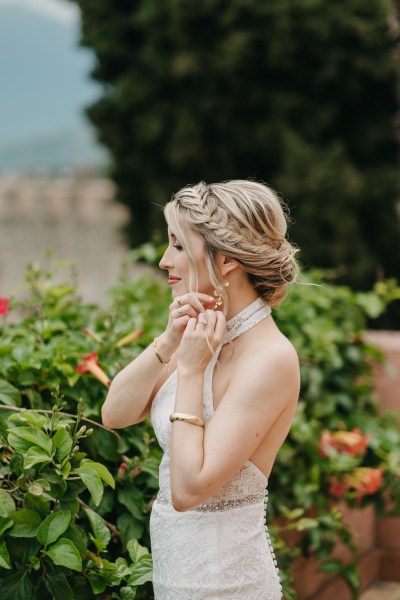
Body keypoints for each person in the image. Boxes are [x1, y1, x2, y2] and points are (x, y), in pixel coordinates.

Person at [102, 179, 301, 600]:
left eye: (177, 245)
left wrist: (191, 373)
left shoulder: (270, 359)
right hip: (175, 578)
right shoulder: (200, 336)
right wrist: (169, 341)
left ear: (225, 259)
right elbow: (114, 414)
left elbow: (190, 490)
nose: (163, 261)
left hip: (227, 585)